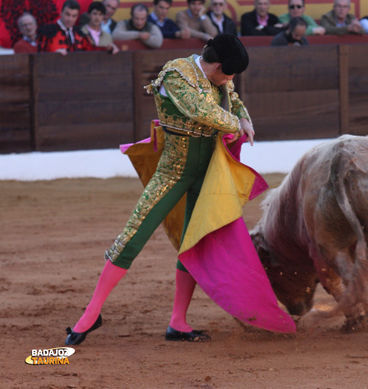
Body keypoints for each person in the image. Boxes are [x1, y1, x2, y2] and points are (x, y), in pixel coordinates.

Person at [64, 34, 256, 345]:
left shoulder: (219, 77)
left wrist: (244, 117)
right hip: (174, 172)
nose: (231, 81)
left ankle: (178, 322)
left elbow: (233, 98)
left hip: (206, 174)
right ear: (218, 65)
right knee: (132, 236)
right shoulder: (175, 75)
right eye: (230, 74)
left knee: (193, 244)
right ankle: (91, 313)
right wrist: (236, 124)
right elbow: (200, 111)